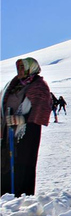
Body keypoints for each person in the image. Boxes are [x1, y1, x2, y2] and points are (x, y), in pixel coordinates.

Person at [1, 58, 52, 196]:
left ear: (31, 68)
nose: (20, 71)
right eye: (19, 68)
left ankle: (21, 195)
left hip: (27, 132)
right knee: (5, 161)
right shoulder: (14, 84)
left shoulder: (39, 86)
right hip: (8, 128)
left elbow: (41, 109)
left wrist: (21, 119)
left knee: (23, 162)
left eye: (23, 68)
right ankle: (5, 194)